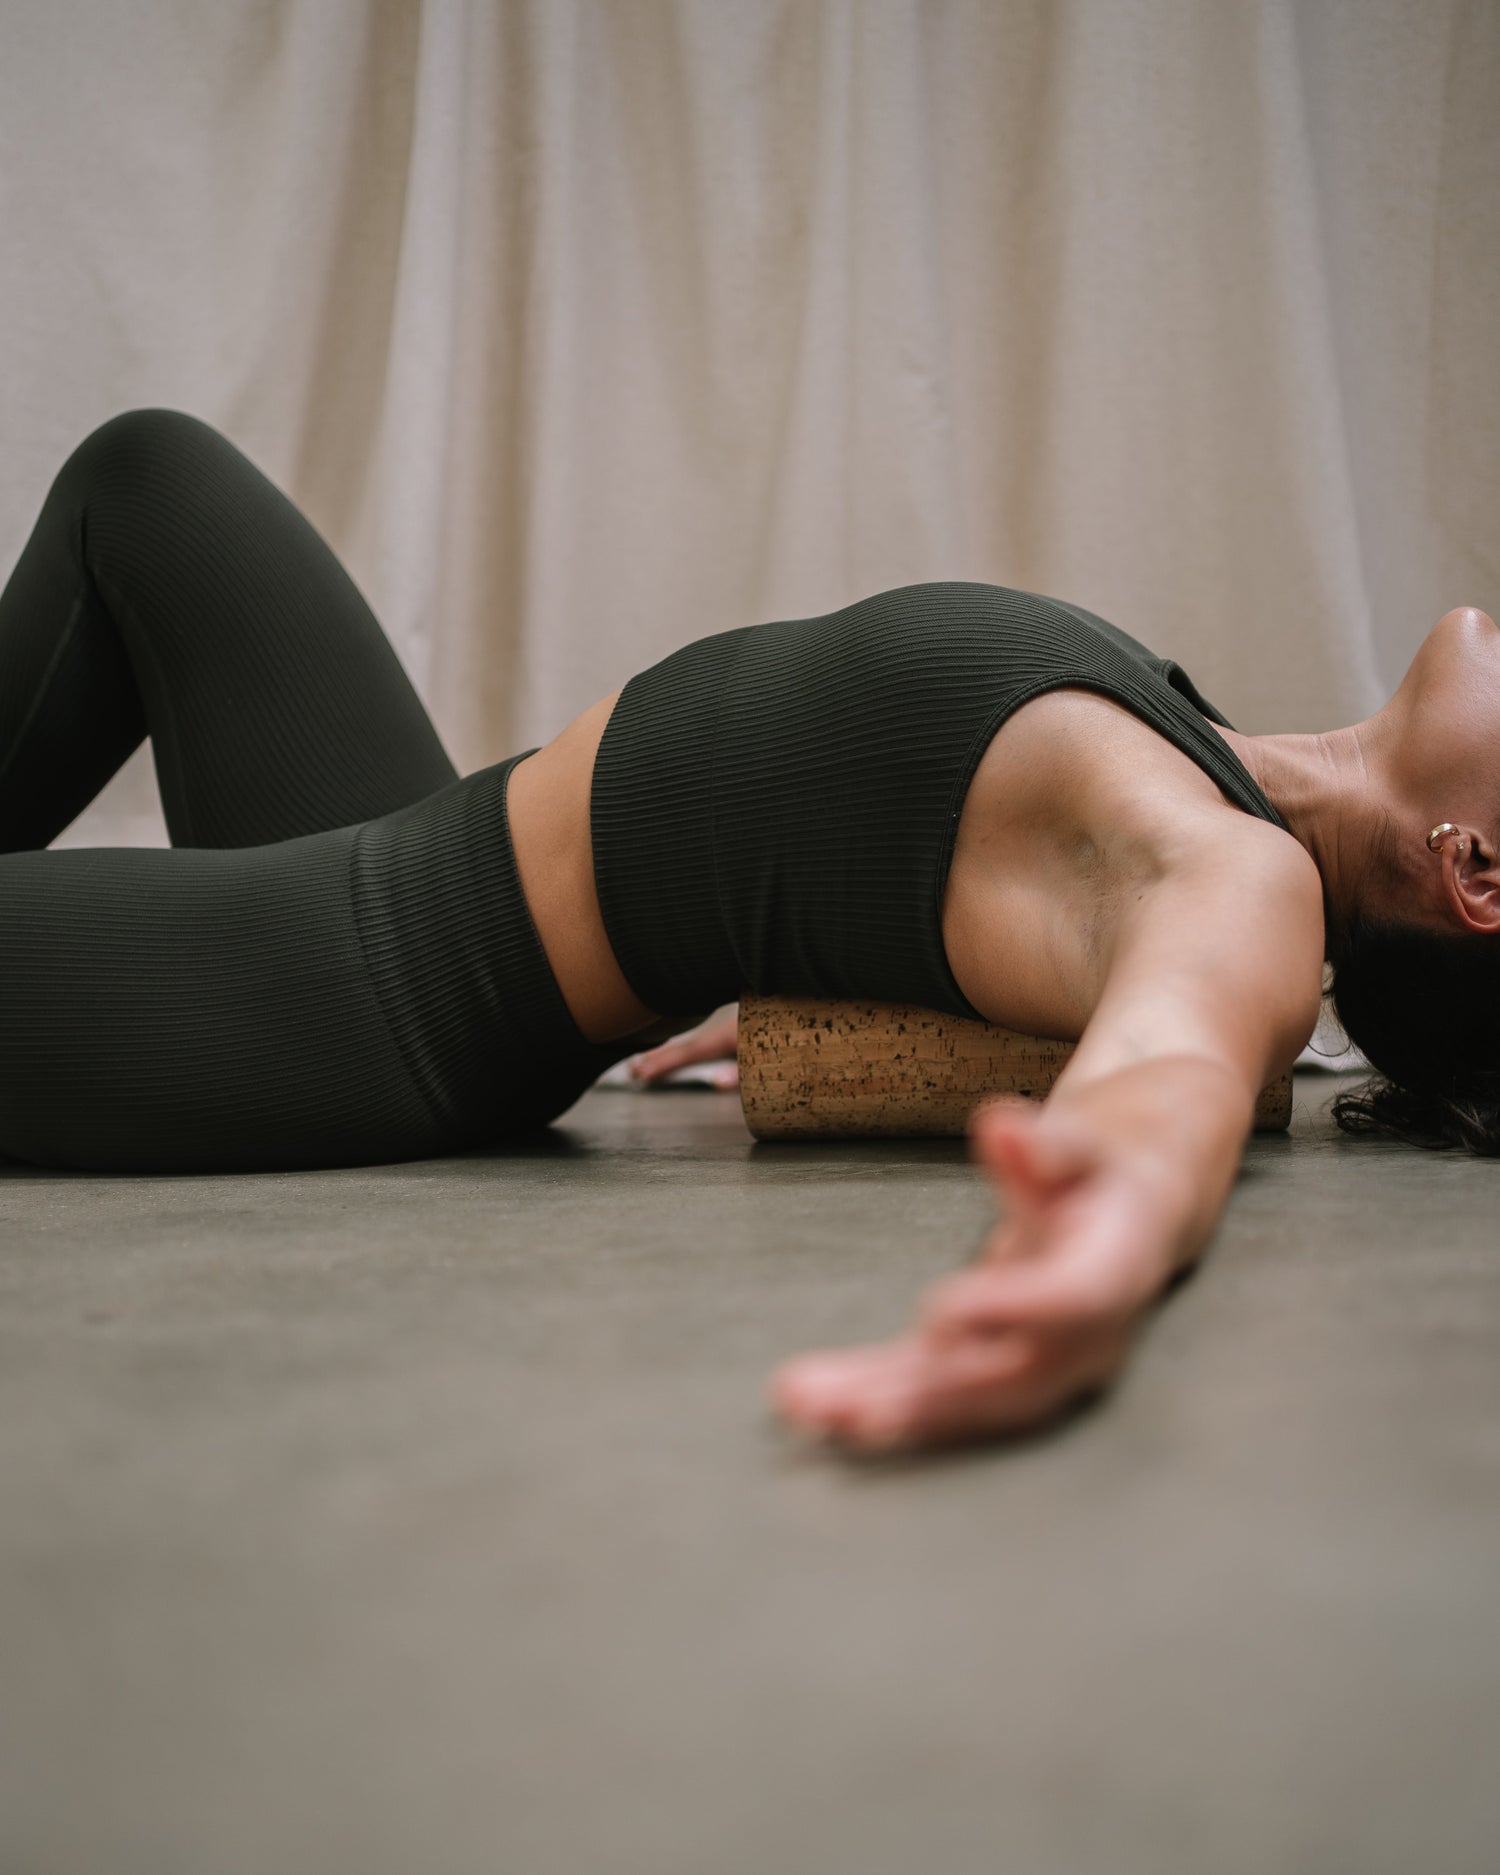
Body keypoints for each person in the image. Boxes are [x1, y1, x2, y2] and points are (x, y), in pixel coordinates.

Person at [1, 408, 1494, 1455]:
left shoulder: (1243, 880)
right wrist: (813, 948)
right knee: (152, 481)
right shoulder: (1196, 751)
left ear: (1481, 876)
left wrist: (1099, 1240)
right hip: (414, 839)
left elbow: (1175, 1067)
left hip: (370, 980)